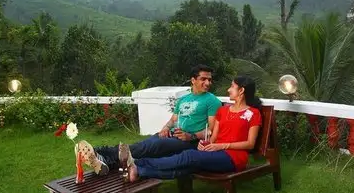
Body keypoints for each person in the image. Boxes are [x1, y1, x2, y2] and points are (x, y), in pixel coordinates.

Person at [78, 64, 223, 175]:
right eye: (203, 79)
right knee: (143, 145)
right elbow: (173, 119)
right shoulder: (184, 99)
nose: (208, 83)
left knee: (151, 147)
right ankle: (106, 161)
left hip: (191, 142)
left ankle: (101, 153)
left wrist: (190, 136)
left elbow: (211, 131)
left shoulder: (212, 101)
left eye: (209, 79)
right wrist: (166, 127)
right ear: (193, 80)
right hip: (173, 134)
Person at [120, 75, 263, 182]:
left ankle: (138, 163)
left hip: (234, 157)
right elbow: (213, 136)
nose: (228, 89)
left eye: (232, 86)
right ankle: (139, 171)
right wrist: (206, 144)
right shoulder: (223, 111)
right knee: (186, 168)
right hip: (216, 151)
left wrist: (221, 146)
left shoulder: (253, 114)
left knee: (188, 156)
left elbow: (250, 144)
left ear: (241, 90)